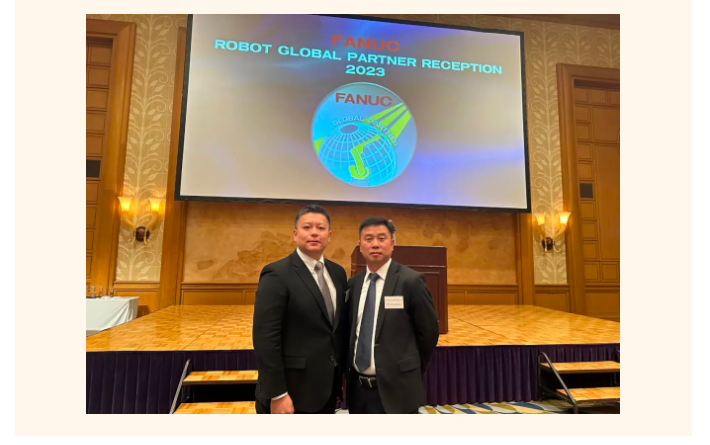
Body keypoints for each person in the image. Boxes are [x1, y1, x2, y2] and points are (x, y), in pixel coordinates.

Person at [252, 205, 348, 414]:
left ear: (329, 235)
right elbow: (265, 337)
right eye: (307, 227)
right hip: (290, 392)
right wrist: (277, 393)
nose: (314, 233)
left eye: (320, 228)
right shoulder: (277, 274)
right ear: (295, 234)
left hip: (326, 390)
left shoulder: (338, 273)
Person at [347, 217, 439, 414]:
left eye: (381, 238)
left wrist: (408, 370)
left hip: (398, 390)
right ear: (360, 245)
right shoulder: (354, 284)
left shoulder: (411, 281)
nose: (375, 244)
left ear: (392, 243)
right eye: (368, 239)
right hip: (358, 391)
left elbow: (428, 334)